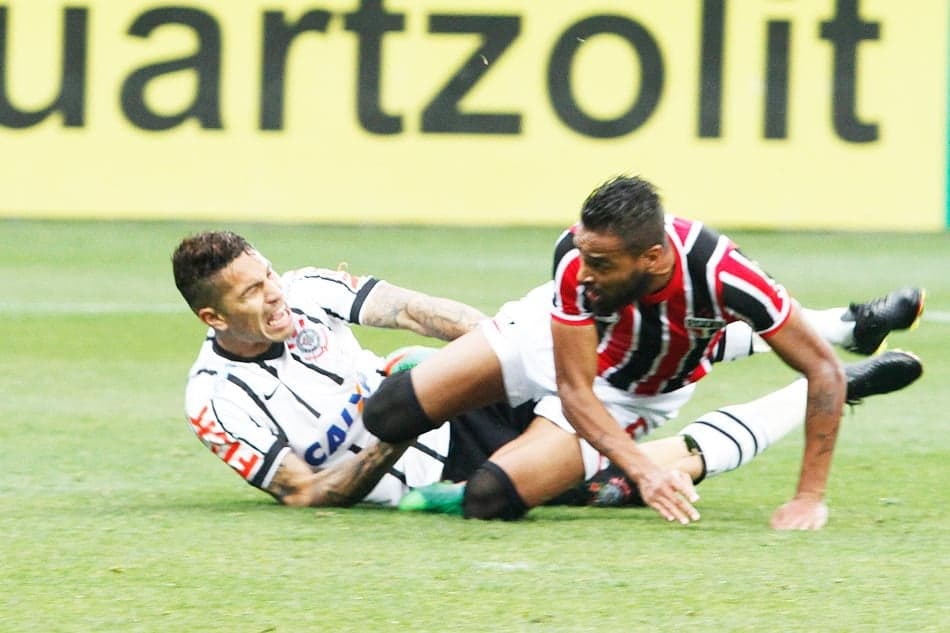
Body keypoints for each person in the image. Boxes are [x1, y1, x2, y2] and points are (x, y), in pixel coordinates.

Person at [172, 230, 922, 513]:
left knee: (607, 346)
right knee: (638, 478)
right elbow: (306, 493)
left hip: (438, 404)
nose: (276, 295)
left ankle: (842, 328)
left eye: (269, 275)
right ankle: (825, 388)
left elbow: (414, 311)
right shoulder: (216, 399)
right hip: (425, 470)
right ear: (213, 317)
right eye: (252, 294)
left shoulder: (305, 287)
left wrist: (510, 349)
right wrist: (393, 438)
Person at [363, 175, 925, 530]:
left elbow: (821, 370)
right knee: (387, 413)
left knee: (489, 498)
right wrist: (643, 472)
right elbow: (574, 388)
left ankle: (840, 334)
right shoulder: (579, 259)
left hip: (634, 389)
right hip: (550, 341)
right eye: (583, 253)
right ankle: (848, 325)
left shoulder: (729, 278)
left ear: (653, 257)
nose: (584, 270)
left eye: (601, 263)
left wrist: (809, 496)